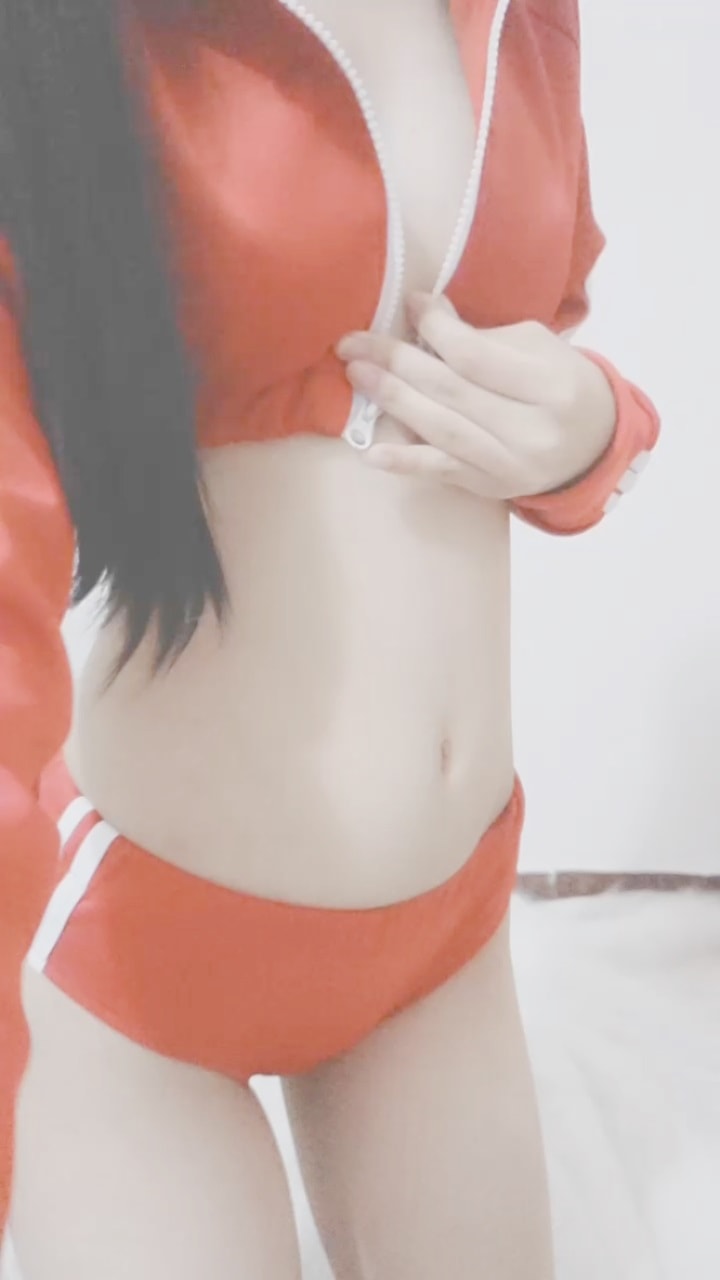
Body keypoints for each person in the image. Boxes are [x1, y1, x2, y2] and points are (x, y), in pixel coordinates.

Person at [0, 1, 659, 1276]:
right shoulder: (64, 39)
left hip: (446, 939)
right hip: (141, 960)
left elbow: (539, 334)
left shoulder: (526, 16)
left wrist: (595, 432)